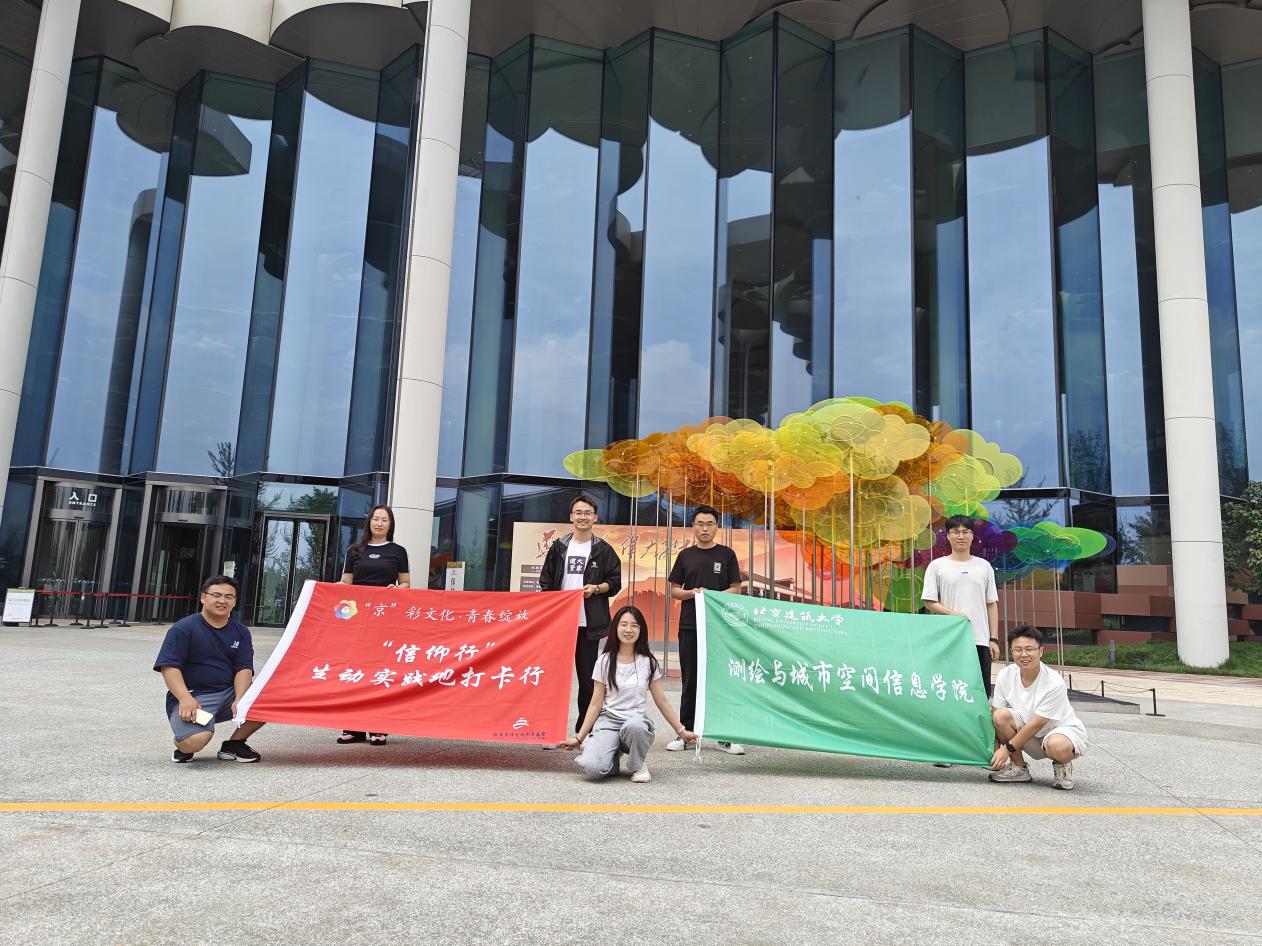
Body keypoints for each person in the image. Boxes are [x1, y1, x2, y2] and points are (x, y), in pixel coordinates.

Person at [560, 606, 698, 781]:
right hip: (608, 722)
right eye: (623, 624)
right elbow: (595, 703)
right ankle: (612, 756)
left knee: (636, 727)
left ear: (641, 630)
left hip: (635, 722)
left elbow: (662, 701)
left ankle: (637, 765)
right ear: (615, 628)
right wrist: (579, 738)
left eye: (634, 625)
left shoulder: (648, 663)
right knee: (593, 770)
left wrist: (682, 731)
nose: (628, 630)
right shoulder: (604, 661)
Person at [537, 494, 622, 746]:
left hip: (588, 625)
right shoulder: (559, 547)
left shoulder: (603, 550)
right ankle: (551, 732)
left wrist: (596, 588)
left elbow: (615, 583)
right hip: (560, 625)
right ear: (571, 517)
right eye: (578, 512)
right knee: (554, 681)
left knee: (587, 681)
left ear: (595, 518)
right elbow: (546, 582)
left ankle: (583, 734)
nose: (582, 517)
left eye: (587, 513)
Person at [154, 575, 264, 763]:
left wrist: (240, 698)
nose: (222, 601)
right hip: (194, 697)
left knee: (267, 700)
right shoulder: (183, 628)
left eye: (229, 597)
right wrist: (185, 699)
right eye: (216, 595)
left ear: (234, 602)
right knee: (196, 740)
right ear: (203, 598)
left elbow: (244, 669)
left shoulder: (241, 632)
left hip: (228, 693)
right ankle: (184, 742)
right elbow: (170, 667)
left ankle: (234, 744)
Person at [666, 504, 745, 755]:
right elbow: (674, 590)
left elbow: (736, 588)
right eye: (700, 524)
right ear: (693, 526)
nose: (705, 528)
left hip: (719, 627)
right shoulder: (685, 556)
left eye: (710, 524)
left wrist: (712, 597)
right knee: (690, 679)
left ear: (716, 527)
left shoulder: (726, 554)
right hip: (690, 625)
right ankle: (686, 734)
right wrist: (693, 593)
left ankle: (724, 736)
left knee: (719, 679)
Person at [337, 503, 410, 745]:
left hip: (385, 620)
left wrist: (397, 590)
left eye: (384, 520)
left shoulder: (398, 551)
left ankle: (378, 727)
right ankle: (353, 727)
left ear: (390, 525)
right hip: (357, 620)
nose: (379, 523)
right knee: (355, 671)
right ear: (369, 522)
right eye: (376, 518)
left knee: (380, 671)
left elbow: (405, 584)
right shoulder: (354, 550)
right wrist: (319, 589)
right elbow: (345, 583)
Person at [988, 625, 1087, 790]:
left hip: (1058, 731)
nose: (1024, 654)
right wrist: (994, 749)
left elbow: (1037, 724)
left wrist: (1005, 750)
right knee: (1000, 716)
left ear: (1041, 651)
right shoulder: (1005, 675)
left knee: (1056, 746)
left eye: (1029, 649)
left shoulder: (1053, 681)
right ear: (1011, 652)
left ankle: (1062, 766)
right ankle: (1019, 768)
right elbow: (995, 713)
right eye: (1018, 650)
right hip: (1027, 733)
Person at [921, 515, 1001, 697]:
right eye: (955, 532)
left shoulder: (984, 566)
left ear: (972, 536)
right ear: (948, 536)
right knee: (948, 689)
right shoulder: (937, 566)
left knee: (980, 692)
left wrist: (994, 639)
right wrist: (953, 614)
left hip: (979, 639)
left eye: (965, 532)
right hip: (949, 639)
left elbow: (991, 604)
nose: (961, 536)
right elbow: (929, 601)